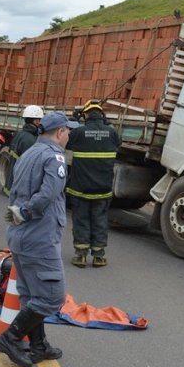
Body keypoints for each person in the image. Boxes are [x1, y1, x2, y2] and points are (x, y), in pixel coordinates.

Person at [0, 111, 76, 367]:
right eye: (68, 130)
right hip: (39, 236)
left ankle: (39, 345)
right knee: (52, 297)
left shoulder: (30, 151)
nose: (70, 135)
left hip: (20, 234)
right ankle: (11, 338)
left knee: (31, 296)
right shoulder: (54, 157)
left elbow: (12, 189)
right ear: (60, 132)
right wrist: (28, 211)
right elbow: (48, 194)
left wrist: (18, 215)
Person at [66, 100, 121, 268]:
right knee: (100, 221)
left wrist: (73, 121)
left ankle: (81, 255)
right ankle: (98, 256)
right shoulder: (112, 133)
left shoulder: (78, 132)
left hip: (80, 189)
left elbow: (66, 142)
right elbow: (118, 142)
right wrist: (107, 126)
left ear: (86, 115)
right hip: (102, 190)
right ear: (101, 115)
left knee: (81, 220)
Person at [4, 105, 44, 195]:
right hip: (21, 187)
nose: (40, 122)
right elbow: (30, 166)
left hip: (12, 182)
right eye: (40, 120)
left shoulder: (18, 134)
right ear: (36, 121)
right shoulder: (31, 140)